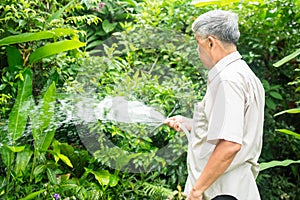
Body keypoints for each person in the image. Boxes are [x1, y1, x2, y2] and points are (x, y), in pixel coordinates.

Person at [165, 10, 265, 200]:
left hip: (221, 192)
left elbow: (229, 144)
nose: (197, 50)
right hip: (233, 189)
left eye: (198, 43)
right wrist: (190, 124)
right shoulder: (244, 74)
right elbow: (232, 129)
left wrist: (196, 190)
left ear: (211, 42)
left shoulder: (228, 81)